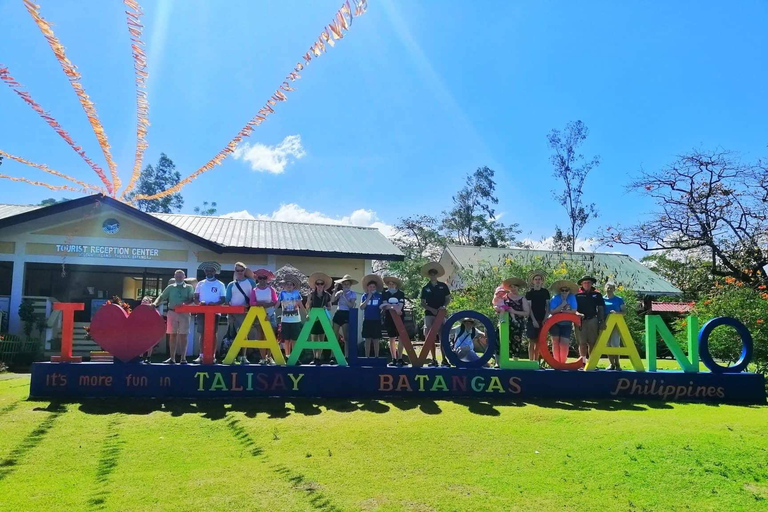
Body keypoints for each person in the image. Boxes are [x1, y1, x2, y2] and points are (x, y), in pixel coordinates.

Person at [152, 269, 194, 364]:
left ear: (184, 277)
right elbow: (162, 296)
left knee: (184, 335)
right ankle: (172, 358)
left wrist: (184, 304)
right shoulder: (170, 287)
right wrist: (154, 304)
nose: (179, 278)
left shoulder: (189, 287)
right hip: (172, 312)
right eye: (177, 276)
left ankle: (183, 358)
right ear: (174, 277)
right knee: (172, 335)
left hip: (184, 313)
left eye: (181, 276)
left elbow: (192, 299)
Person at [192, 261, 225, 364]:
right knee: (202, 333)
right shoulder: (200, 283)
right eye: (207, 270)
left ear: (215, 272)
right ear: (205, 272)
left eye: (211, 270)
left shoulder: (220, 284)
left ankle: (213, 355)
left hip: (215, 312)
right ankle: (201, 355)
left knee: (213, 333)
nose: (209, 272)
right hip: (202, 312)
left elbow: (223, 299)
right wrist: (199, 303)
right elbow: (195, 298)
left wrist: (215, 304)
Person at [419, 262, 451, 367]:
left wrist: (443, 307)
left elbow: (448, 299)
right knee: (430, 337)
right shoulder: (425, 288)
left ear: (437, 275)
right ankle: (433, 359)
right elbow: (422, 303)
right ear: (429, 275)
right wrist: (431, 309)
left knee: (443, 336)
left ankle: (444, 359)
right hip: (429, 314)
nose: (433, 275)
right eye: (431, 273)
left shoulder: (443, 286)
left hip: (441, 313)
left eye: (434, 273)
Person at [225, 262, 256, 364]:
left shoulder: (251, 282)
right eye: (237, 270)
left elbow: (254, 297)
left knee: (244, 335)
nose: (239, 272)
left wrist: (249, 305)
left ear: (244, 271)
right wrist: (229, 314)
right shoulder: (231, 285)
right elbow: (227, 300)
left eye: (241, 270)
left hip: (245, 312)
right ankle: (232, 356)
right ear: (235, 271)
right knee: (232, 336)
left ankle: (243, 356)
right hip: (233, 313)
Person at [249, 268, 279, 365]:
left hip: (270, 315)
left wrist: (266, 305)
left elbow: (275, 301)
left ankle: (269, 357)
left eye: (264, 278)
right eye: (260, 278)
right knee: (260, 337)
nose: (262, 280)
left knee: (270, 336)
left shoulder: (271, 289)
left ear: (267, 279)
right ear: (258, 279)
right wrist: (260, 303)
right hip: (258, 315)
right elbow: (251, 302)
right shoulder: (255, 290)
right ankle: (262, 358)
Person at [575, 276, 605, 364]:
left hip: (593, 320)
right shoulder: (577, 294)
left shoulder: (597, 294)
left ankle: (592, 363)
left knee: (592, 342)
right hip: (580, 321)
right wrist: (577, 314)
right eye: (585, 282)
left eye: (589, 282)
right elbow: (572, 308)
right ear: (581, 284)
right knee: (582, 343)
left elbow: (601, 308)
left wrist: (601, 320)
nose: (587, 284)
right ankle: (583, 362)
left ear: (592, 284)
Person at [548, 280, 579, 364]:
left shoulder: (572, 297)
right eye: (562, 290)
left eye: (566, 290)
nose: (564, 292)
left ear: (569, 291)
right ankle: (556, 363)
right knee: (555, 342)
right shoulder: (555, 298)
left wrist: (562, 311)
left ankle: (562, 363)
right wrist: (562, 305)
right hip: (554, 323)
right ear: (560, 291)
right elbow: (552, 311)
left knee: (564, 344)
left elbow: (573, 310)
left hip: (566, 323)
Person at [305, 271, 332, 365]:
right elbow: (308, 306)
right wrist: (307, 314)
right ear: (315, 285)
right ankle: (314, 357)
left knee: (321, 338)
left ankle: (318, 357)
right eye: (318, 283)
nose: (319, 285)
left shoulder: (327, 295)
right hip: (313, 318)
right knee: (314, 338)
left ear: (324, 285)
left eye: (321, 283)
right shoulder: (311, 295)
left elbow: (330, 307)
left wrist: (326, 308)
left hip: (323, 318)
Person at [277, 274, 305, 360]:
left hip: (295, 319)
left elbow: (301, 305)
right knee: (286, 339)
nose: (289, 286)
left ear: (293, 286)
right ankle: (287, 356)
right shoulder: (282, 294)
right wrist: (270, 313)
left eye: (291, 284)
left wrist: (306, 314)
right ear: (284, 286)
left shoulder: (297, 294)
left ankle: (295, 356)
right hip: (285, 319)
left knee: (295, 339)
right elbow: (277, 304)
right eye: (287, 284)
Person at [501, 277, 529, 363]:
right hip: (505, 322)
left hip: (518, 324)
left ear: (518, 287)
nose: (513, 289)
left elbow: (526, 313)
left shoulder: (522, 299)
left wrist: (514, 311)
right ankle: (501, 361)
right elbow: (498, 306)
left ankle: (515, 361)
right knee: (502, 341)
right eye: (511, 287)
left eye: (515, 287)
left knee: (516, 342)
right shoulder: (504, 297)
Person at [525, 270, 550, 363]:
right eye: (536, 279)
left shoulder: (545, 292)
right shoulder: (529, 293)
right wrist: (534, 320)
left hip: (543, 319)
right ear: (533, 281)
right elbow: (529, 308)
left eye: (539, 279)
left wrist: (545, 318)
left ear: (542, 281)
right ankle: (531, 361)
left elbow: (548, 306)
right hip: (532, 320)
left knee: (539, 342)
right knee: (532, 341)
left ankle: (536, 362)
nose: (538, 281)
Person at [381, 276, 406, 366]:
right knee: (391, 338)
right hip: (389, 318)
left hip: (400, 318)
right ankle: (394, 358)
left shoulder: (401, 293)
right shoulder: (385, 293)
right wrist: (393, 307)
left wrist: (393, 307)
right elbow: (384, 305)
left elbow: (401, 306)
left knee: (401, 338)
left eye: (393, 284)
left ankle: (400, 358)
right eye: (389, 284)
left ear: (396, 285)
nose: (391, 285)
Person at [332, 274, 358, 360]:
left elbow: (351, 305)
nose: (346, 285)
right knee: (334, 335)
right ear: (342, 285)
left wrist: (344, 297)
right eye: (344, 284)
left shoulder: (352, 294)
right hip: (338, 313)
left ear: (350, 285)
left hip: (346, 313)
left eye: (347, 284)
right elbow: (332, 300)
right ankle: (333, 356)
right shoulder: (339, 292)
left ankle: (346, 355)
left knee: (346, 337)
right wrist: (335, 290)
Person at [602, 282, 626, 370]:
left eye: (611, 288)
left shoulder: (619, 299)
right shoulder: (602, 299)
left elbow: (624, 312)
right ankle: (611, 364)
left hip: (616, 324)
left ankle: (617, 364)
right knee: (607, 345)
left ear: (614, 289)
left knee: (615, 344)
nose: (609, 289)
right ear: (604, 288)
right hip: (605, 324)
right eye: (608, 287)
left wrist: (617, 313)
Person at [360, 274, 384, 358]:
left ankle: (376, 356)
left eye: (373, 287)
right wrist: (368, 298)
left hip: (376, 320)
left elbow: (382, 308)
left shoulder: (379, 296)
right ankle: (367, 356)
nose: (372, 288)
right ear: (367, 287)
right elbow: (361, 307)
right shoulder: (364, 296)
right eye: (370, 287)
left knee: (376, 340)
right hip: (367, 320)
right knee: (367, 340)